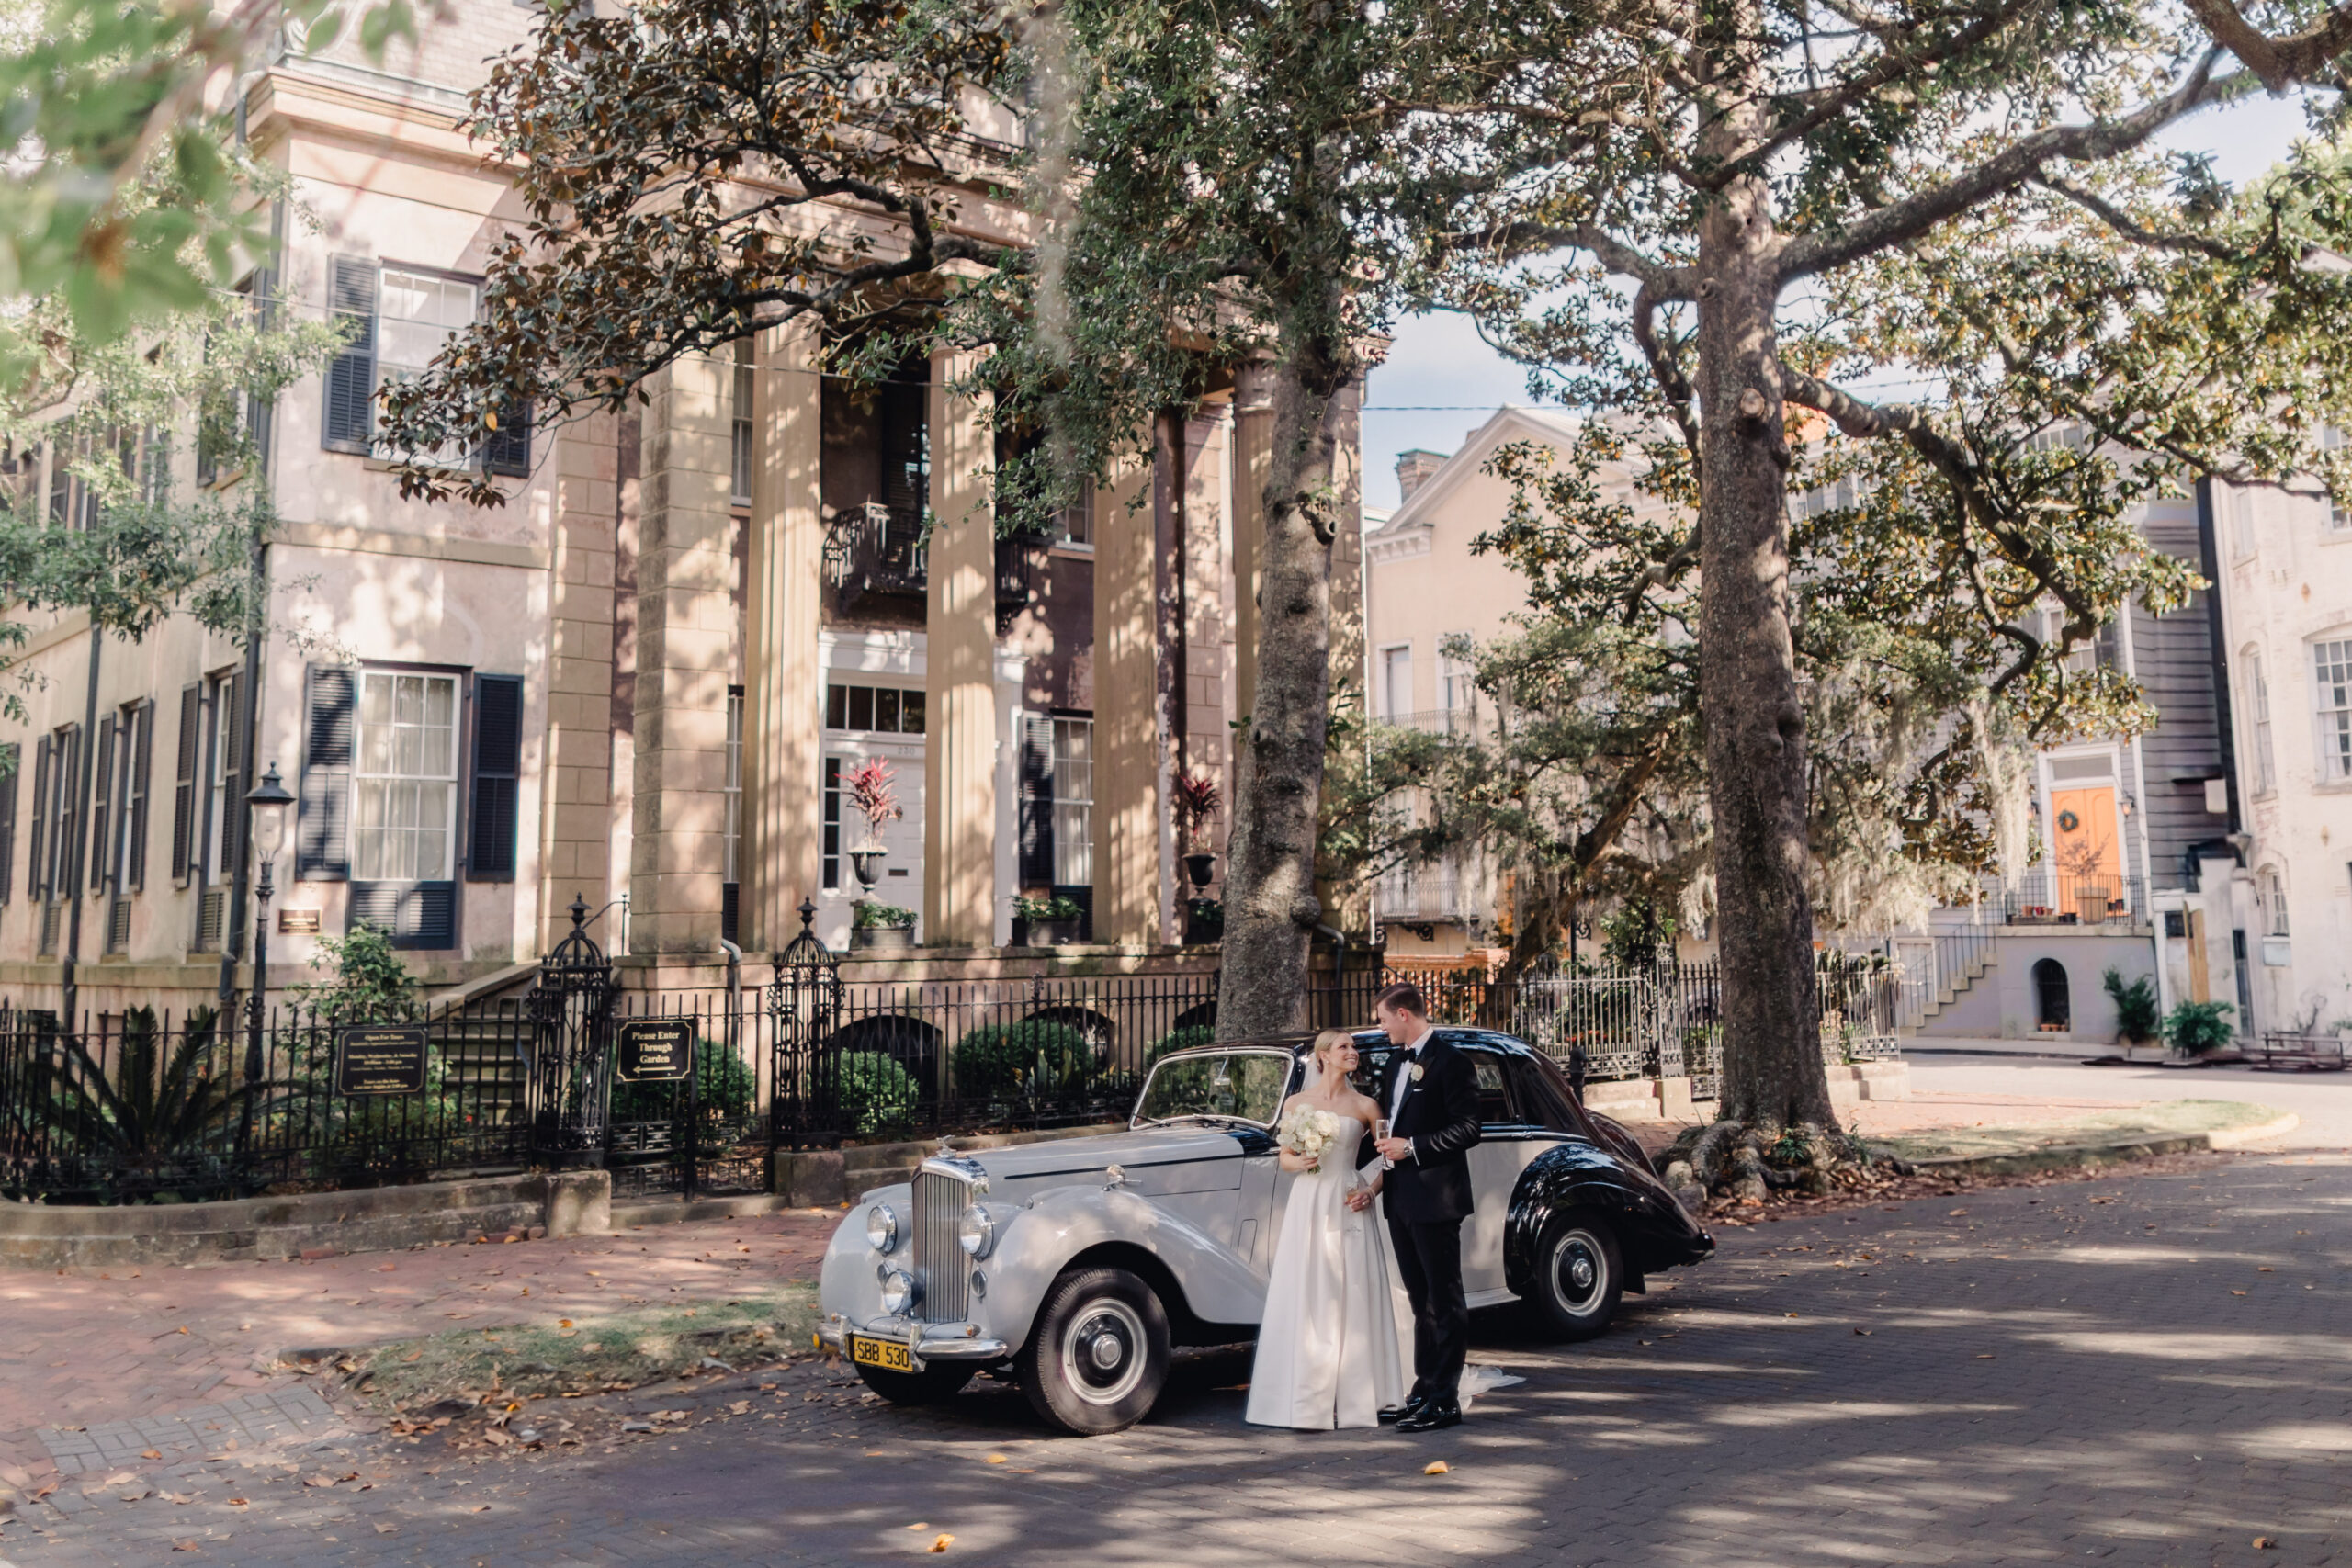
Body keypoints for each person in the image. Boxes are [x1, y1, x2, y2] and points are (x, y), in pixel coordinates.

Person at [1244, 1029, 1410, 1429]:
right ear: (1323, 1056)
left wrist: (1371, 1191)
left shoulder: (1367, 1105)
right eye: (1344, 1047)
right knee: (1310, 1290)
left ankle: (1359, 1396)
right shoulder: (1296, 1104)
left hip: (1348, 1200)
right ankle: (1306, 1397)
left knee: (1352, 1290)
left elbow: (1390, 1158)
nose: (1353, 1052)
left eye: (1354, 1047)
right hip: (1309, 1202)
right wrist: (1299, 1162)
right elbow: (1285, 1157)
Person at [1370, 981, 1482, 1433]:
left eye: (1383, 1019)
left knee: (1445, 1300)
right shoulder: (1395, 1062)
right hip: (1400, 1200)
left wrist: (1412, 1147)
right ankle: (1424, 1390)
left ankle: (1445, 1400)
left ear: (1403, 1015)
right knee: (1421, 1303)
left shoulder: (1452, 1062)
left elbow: (1469, 1128)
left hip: (1436, 1200)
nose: (1381, 1028)